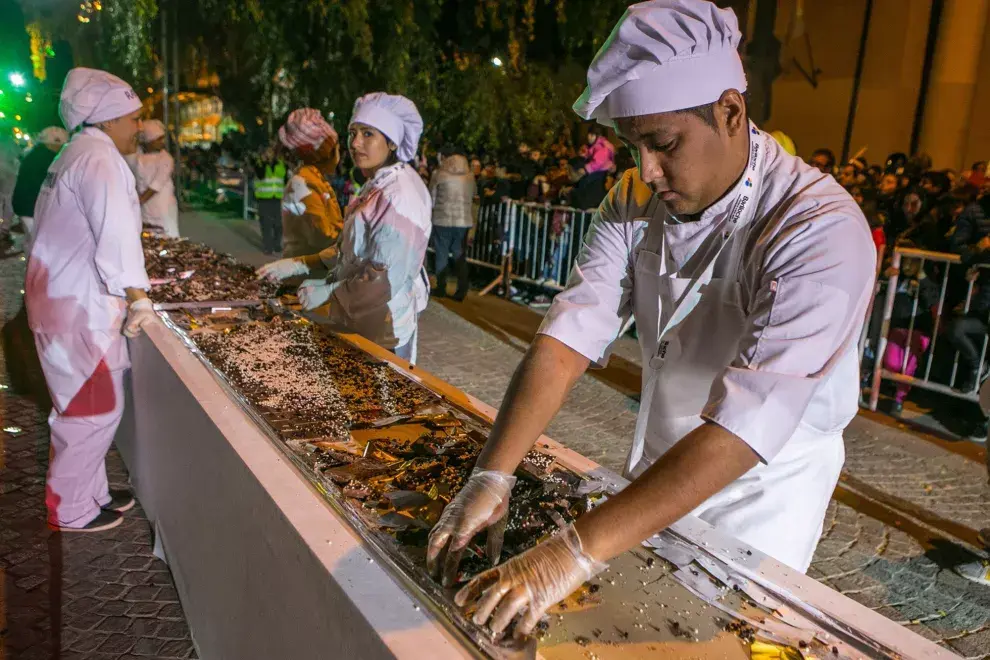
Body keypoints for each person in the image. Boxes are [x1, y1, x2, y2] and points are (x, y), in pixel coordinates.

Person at [429, 1, 874, 639]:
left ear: (730, 110)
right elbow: (568, 335)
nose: (647, 171)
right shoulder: (636, 202)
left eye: (664, 144)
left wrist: (569, 553)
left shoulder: (818, 231)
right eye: (634, 146)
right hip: (660, 471)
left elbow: (744, 428)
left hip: (759, 496)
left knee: (705, 640)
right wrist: (493, 471)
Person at [25, 68, 156, 533]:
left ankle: (92, 493)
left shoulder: (75, 151)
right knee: (90, 409)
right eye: (133, 118)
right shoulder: (98, 159)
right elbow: (116, 235)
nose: (138, 127)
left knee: (90, 403)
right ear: (109, 119)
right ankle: (71, 508)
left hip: (63, 302)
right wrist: (138, 297)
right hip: (76, 306)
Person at [258, 93, 431, 363]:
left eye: (368, 134)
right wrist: (301, 264)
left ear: (392, 142)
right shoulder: (377, 185)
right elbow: (349, 252)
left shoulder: (400, 196)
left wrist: (329, 292)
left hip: (383, 330)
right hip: (359, 317)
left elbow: (384, 279)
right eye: (352, 133)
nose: (355, 143)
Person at [278, 108, 344, 258]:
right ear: (324, 153)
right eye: (336, 148)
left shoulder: (314, 180)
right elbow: (322, 237)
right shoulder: (304, 185)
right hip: (306, 274)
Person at [878, 251, 938, 414]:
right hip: (898, 328)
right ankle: (891, 387)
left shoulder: (927, 279)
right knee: (892, 362)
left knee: (908, 367)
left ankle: (899, 400)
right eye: (905, 261)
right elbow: (879, 290)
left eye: (911, 262)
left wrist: (922, 279)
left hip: (918, 331)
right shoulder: (898, 279)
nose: (906, 266)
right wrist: (885, 277)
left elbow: (932, 300)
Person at [12, 126, 68, 253]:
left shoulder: (36, 153)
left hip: (25, 206)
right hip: (31, 208)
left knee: (31, 240)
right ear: (55, 143)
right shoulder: (47, 158)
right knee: (37, 245)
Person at [429, 148, 476, 301]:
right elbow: (474, 195)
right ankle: (462, 289)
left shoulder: (439, 175)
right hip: (463, 220)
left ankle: (441, 286)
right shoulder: (470, 177)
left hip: (442, 219)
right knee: (459, 254)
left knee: (441, 253)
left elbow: (432, 197)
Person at [131, 119, 179, 238]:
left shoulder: (166, 158)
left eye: (162, 138)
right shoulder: (138, 157)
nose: (162, 142)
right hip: (145, 209)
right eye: (158, 139)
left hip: (164, 207)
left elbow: (156, 184)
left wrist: (138, 201)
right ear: (148, 141)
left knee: (168, 238)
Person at [252, 146, 287, 255]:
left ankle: (277, 245)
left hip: (277, 197)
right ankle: (268, 246)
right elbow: (261, 175)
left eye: (271, 152)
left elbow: (284, 178)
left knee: (278, 224)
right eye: (267, 152)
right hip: (264, 197)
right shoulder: (259, 164)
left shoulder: (280, 164)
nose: (269, 154)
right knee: (266, 224)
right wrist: (263, 162)